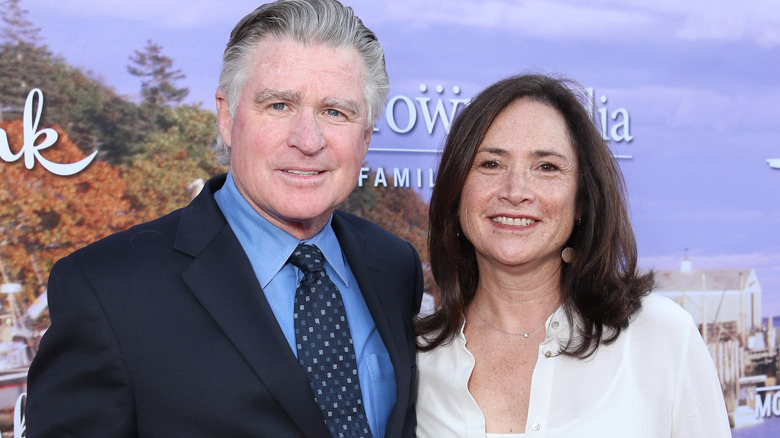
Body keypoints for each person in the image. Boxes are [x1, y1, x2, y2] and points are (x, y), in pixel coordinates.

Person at [26, 1, 423, 437]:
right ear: (227, 116)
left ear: (365, 135)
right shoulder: (107, 290)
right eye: (279, 105)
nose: (308, 140)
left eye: (335, 112)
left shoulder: (395, 266)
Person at [415, 74, 730, 437]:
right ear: (456, 192)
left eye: (546, 167)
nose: (516, 191)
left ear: (581, 201)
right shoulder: (415, 356)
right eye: (490, 164)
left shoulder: (661, 337)